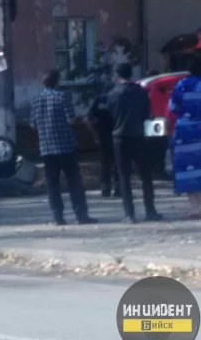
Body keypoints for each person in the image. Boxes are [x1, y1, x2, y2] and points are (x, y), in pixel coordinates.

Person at [30, 70, 97, 225]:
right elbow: (70, 120)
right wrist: (80, 120)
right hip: (65, 146)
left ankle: (57, 217)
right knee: (74, 182)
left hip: (47, 148)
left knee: (52, 184)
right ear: (57, 81)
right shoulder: (62, 96)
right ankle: (81, 215)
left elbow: (32, 124)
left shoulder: (37, 99)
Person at [107, 63, 163, 224]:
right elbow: (147, 113)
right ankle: (150, 210)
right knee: (146, 175)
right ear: (131, 74)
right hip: (138, 136)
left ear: (117, 75)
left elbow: (111, 114)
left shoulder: (112, 94)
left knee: (124, 176)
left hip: (119, 137)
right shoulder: (141, 92)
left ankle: (129, 214)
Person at [168, 55, 201, 220]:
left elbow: (173, 108)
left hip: (186, 132)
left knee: (188, 169)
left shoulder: (182, 85)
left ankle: (196, 207)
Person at [85, 81, 121, 198]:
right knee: (118, 162)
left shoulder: (99, 100)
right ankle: (118, 189)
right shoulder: (117, 99)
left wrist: (94, 134)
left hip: (103, 136)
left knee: (105, 163)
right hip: (117, 135)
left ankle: (105, 190)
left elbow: (87, 119)